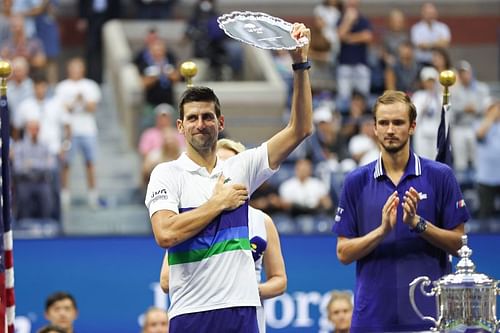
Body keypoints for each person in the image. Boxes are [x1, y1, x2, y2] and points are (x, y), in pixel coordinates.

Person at [145, 23, 311, 333]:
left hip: (242, 313)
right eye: (192, 118)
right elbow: (165, 234)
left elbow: (300, 129)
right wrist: (217, 203)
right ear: (180, 127)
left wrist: (300, 64)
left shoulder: (241, 167)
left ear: (220, 122)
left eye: (208, 117)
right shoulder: (166, 174)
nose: (200, 123)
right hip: (191, 313)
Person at [332, 90, 470, 332]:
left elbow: (460, 245)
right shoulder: (355, 181)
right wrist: (382, 231)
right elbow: (343, 253)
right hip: (372, 319)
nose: (390, 130)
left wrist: (419, 224)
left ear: (412, 126)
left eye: (398, 122)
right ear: (374, 128)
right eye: (383, 123)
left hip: (428, 318)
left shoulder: (440, 176)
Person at [159, 138, 287, 332]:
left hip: (246, 319)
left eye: (232, 167)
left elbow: (280, 280)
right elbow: (166, 280)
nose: (225, 176)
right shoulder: (191, 218)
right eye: (220, 166)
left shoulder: (262, 221)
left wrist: (245, 289)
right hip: (201, 317)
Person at [55, 57, 102, 208]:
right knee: (66, 164)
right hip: (69, 131)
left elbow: (92, 107)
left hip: (88, 130)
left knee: (90, 163)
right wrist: (78, 100)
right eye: (73, 68)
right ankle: (64, 196)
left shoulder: (90, 85)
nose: (76, 71)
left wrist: (79, 102)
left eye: (78, 68)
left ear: (83, 70)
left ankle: (93, 196)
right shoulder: (62, 87)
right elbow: (62, 108)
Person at [475, 100, 500, 222]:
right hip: (486, 179)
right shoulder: (479, 124)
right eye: (492, 109)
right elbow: (479, 134)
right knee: (485, 215)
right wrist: (491, 117)